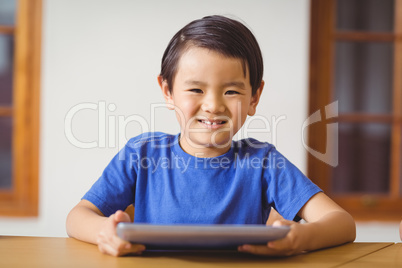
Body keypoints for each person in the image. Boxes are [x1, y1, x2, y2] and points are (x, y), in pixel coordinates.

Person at [66, 15, 356, 257]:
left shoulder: (263, 161)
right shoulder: (142, 153)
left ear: (255, 97)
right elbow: (77, 217)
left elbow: (342, 223)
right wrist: (104, 232)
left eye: (231, 91)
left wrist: (301, 238)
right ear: (167, 91)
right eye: (196, 90)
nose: (214, 105)